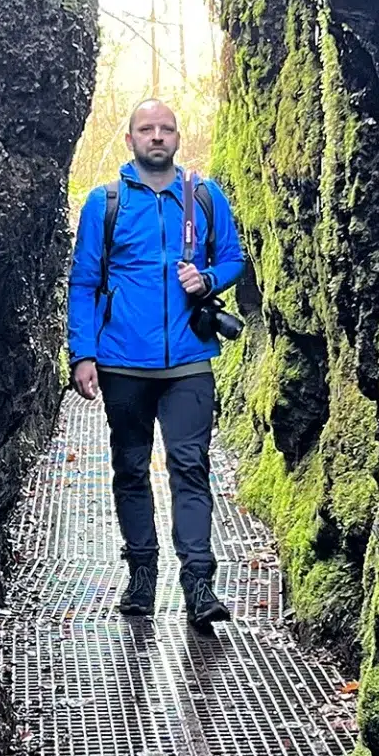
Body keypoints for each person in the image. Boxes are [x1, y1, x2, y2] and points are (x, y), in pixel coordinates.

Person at [68, 99, 247, 629]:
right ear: (130, 140)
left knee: (190, 467)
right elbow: (83, 283)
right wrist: (83, 353)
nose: (157, 136)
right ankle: (141, 574)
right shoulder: (106, 204)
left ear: (178, 138)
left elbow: (233, 257)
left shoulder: (205, 197)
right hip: (123, 360)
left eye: (167, 128)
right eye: (147, 129)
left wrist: (209, 280)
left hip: (189, 359)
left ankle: (198, 584)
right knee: (130, 467)